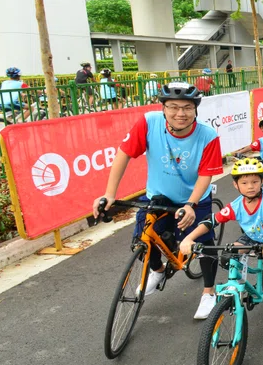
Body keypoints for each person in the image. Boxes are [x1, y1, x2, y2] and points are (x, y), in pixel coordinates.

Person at [93, 83, 223, 318]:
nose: (180, 113)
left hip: (193, 199)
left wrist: (191, 205)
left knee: (204, 245)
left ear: (196, 110)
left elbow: (206, 175)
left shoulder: (208, 136)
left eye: (187, 107)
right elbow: (123, 154)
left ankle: (208, 292)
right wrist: (109, 194)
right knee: (143, 238)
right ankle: (158, 270)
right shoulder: (148, 122)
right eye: (173, 107)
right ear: (163, 108)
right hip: (158, 196)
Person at [179, 158, 263, 325]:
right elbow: (211, 221)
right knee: (227, 256)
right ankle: (240, 284)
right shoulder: (236, 205)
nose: (250, 186)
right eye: (245, 182)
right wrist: (189, 238)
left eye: (255, 181)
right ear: (236, 185)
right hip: (251, 237)